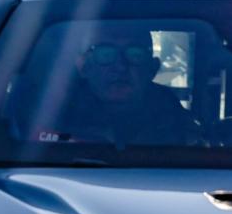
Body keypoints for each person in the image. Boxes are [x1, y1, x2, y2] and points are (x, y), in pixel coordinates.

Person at [41, 25, 199, 147]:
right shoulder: (52, 120)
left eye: (134, 55)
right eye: (106, 55)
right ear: (84, 67)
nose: (121, 66)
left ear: (152, 68)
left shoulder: (182, 129)